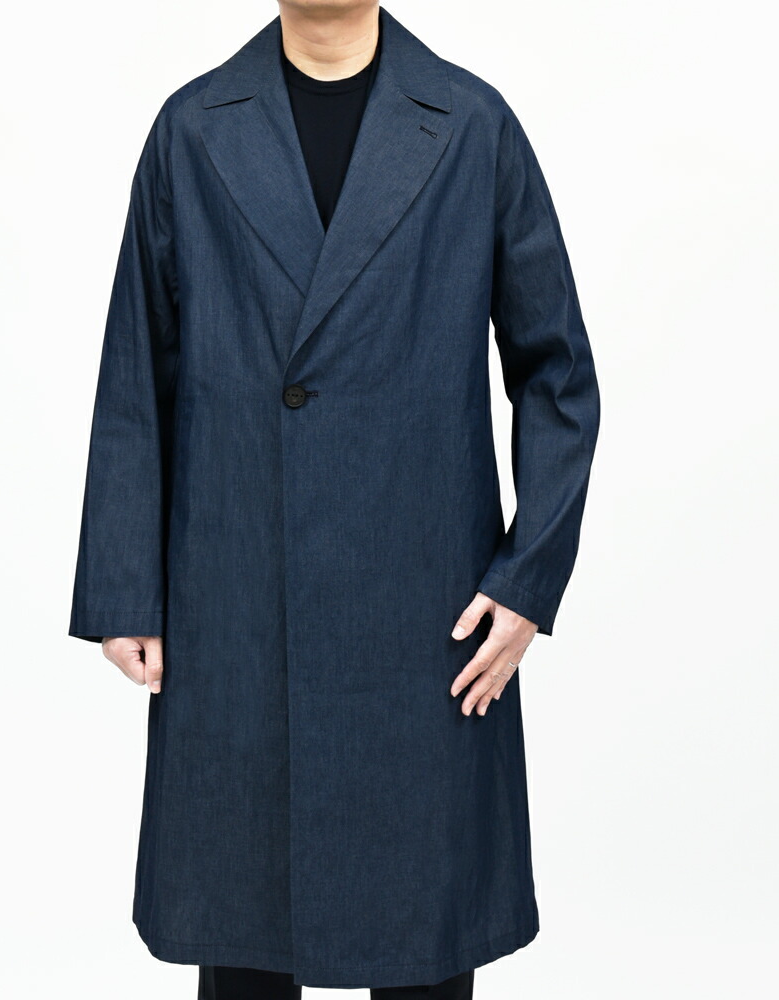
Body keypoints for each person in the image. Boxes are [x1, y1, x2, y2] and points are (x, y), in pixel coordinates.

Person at [68, 2, 601, 998]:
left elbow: (557, 373)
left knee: (422, 938)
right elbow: (137, 373)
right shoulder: (192, 130)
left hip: (426, 609)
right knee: (243, 934)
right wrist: (125, 587)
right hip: (240, 593)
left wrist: (528, 579)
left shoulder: (471, 125)